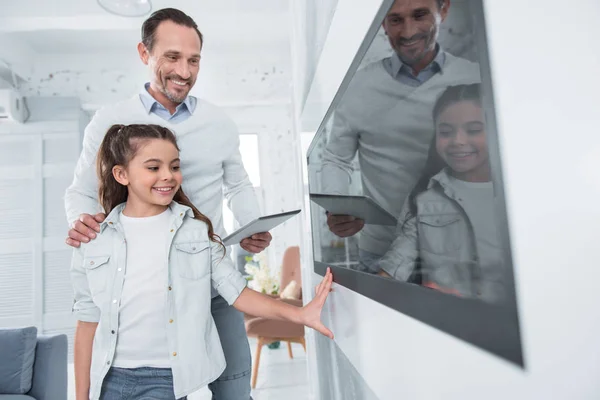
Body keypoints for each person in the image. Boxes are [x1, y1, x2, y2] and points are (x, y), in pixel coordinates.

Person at [64, 8, 271, 399]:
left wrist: (251, 225)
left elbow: (238, 185)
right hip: (143, 289)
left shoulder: (219, 123)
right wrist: (82, 222)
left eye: (193, 60)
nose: (185, 71)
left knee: (233, 387)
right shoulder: (111, 121)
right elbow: (80, 192)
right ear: (145, 53)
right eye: (172, 57)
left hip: (212, 282)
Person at [71, 124, 334, 400]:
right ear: (121, 174)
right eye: (153, 167)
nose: (168, 176)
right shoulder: (94, 238)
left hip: (165, 378)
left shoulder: (194, 232)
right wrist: (81, 396)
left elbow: (238, 293)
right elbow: (87, 322)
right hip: (109, 378)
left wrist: (300, 314)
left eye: (174, 167)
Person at [320, 0, 480, 273]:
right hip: (381, 249)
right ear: (382, 23)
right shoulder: (357, 87)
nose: (408, 32)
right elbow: (335, 158)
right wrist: (338, 208)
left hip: (460, 251)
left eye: (420, 15)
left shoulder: (473, 77)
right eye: (395, 20)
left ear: (443, 11)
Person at [377, 84, 508, 303]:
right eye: (446, 132)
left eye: (474, 130)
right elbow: (395, 266)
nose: (458, 141)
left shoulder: (519, 194)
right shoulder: (425, 198)